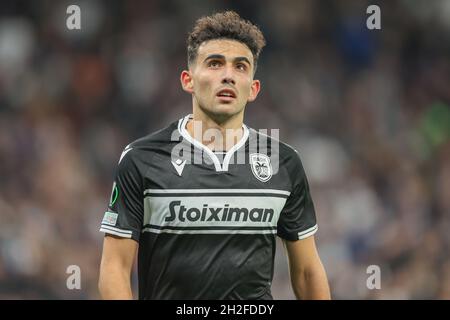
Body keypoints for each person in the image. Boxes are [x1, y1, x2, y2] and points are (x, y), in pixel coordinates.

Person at [98, 10, 331, 300]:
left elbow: (307, 272)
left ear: (253, 89)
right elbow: (114, 268)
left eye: (241, 67)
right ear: (188, 80)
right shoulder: (141, 158)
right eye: (215, 64)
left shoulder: (282, 161)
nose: (228, 76)